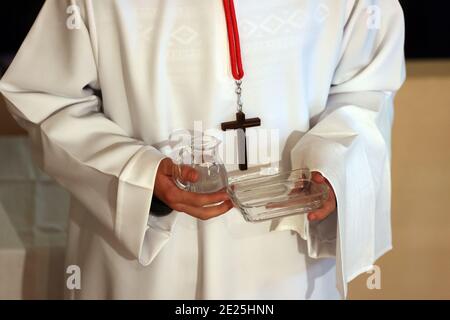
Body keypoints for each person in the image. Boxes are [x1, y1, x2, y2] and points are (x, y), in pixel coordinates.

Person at [0, 0, 405, 299]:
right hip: (148, 270)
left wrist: (336, 164)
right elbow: (44, 97)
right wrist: (136, 173)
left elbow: (366, 86)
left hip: (287, 261)